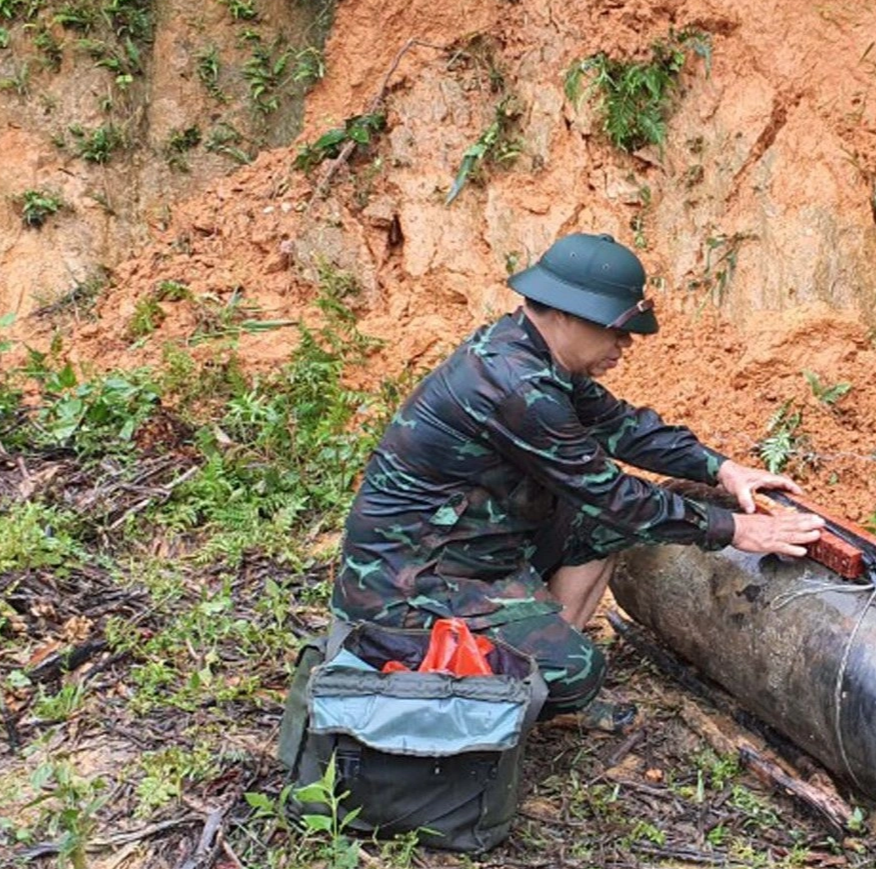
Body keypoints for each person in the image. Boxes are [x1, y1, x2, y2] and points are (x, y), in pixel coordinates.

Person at [333, 232, 823, 729]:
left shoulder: (533, 355)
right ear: (567, 314)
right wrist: (737, 530)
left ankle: (534, 642)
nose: (624, 345)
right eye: (615, 329)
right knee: (577, 672)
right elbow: (608, 493)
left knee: (601, 531)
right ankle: (521, 676)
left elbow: (621, 427)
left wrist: (722, 468)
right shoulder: (516, 386)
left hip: (469, 545)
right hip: (408, 582)